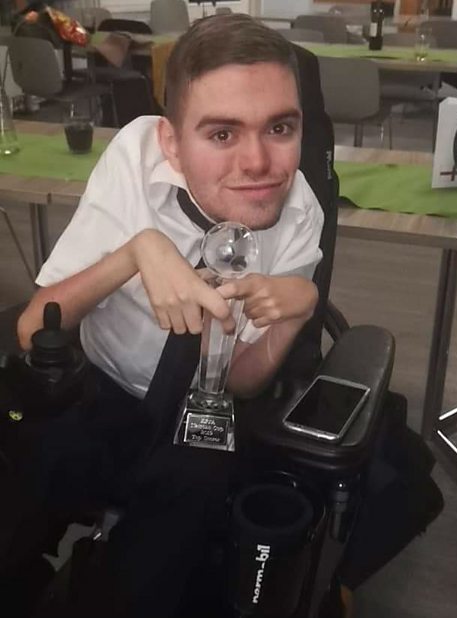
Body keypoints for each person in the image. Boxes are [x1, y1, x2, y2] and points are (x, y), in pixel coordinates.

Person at [5, 13, 324, 618]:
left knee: (162, 559)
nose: (259, 164)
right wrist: (135, 253)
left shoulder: (301, 215)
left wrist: (294, 313)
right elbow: (31, 327)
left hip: (197, 412)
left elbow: (244, 381)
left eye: (280, 127)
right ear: (173, 144)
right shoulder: (135, 158)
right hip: (101, 385)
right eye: (222, 134)